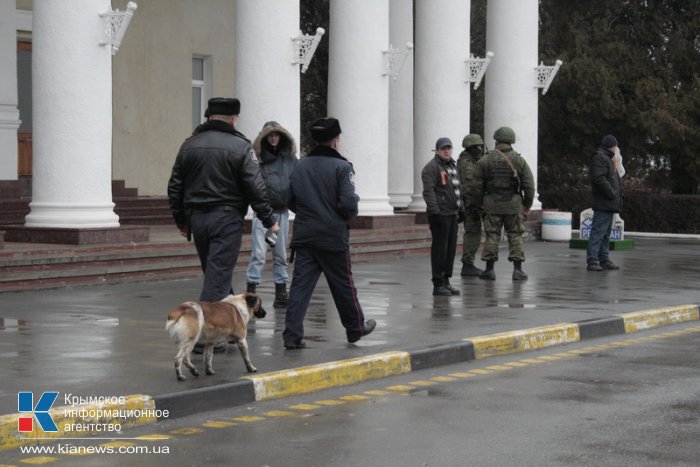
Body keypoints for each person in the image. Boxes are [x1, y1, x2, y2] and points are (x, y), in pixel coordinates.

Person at [168, 96, 280, 304]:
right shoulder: (240, 146)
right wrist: (269, 220)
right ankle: (204, 333)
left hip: (198, 220)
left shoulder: (188, 145)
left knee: (215, 275)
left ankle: (230, 330)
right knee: (217, 280)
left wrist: (181, 221)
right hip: (226, 219)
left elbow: (175, 186)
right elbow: (255, 187)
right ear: (233, 119)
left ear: (209, 117)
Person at [282, 117, 376, 349]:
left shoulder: (300, 165)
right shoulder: (343, 167)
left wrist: (309, 211)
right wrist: (342, 213)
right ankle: (355, 328)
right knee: (343, 285)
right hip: (333, 236)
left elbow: (288, 199)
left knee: (300, 288)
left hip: (305, 235)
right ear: (335, 141)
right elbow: (347, 205)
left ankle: (292, 335)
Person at [245, 121, 298, 308]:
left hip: (282, 214)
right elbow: (252, 184)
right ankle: (251, 294)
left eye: (276, 135)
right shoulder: (256, 160)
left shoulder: (290, 159)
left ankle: (281, 293)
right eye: (270, 135)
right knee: (259, 254)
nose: (274, 138)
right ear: (265, 138)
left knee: (280, 255)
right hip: (263, 214)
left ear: (281, 137)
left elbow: (297, 183)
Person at [472, 126, 535, 281]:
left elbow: (476, 186)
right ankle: (518, 270)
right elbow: (529, 185)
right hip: (513, 205)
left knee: (491, 235)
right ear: (511, 140)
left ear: (496, 140)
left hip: (491, 204)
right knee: (515, 235)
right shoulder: (519, 160)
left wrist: (479, 204)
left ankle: (489, 270)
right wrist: (527, 204)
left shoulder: (485, 159)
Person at [422, 137, 464, 296]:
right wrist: (434, 211)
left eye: (449, 148)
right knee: (440, 250)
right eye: (443, 148)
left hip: (452, 213)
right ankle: (437, 283)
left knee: (450, 250)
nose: (446, 150)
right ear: (437, 150)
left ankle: (446, 280)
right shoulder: (431, 168)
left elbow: (458, 188)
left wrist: (462, 208)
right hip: (440, 214)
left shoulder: (453, 166)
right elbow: (428, 191)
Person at [587, 134, 623, 272]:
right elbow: (599, 179)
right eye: (615, 146)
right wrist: (612, 193)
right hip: (604, 202)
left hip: (609, 203)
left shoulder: (607, 158)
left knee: (605, 233)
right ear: (612, 146)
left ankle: (604, 259)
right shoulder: (600, 157)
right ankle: (592, 260)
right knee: (598, 232)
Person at [457, 133, 486, 277]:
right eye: (477, 146)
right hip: (470, 205)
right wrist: (474, 205)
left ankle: (469, 263)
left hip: (471, 204)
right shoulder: (467, 165)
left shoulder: (471, 161)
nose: (480, 149)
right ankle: (467, 264)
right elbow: (469, 187)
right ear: (471, 148)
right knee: (472, 234)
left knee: (474, 234)